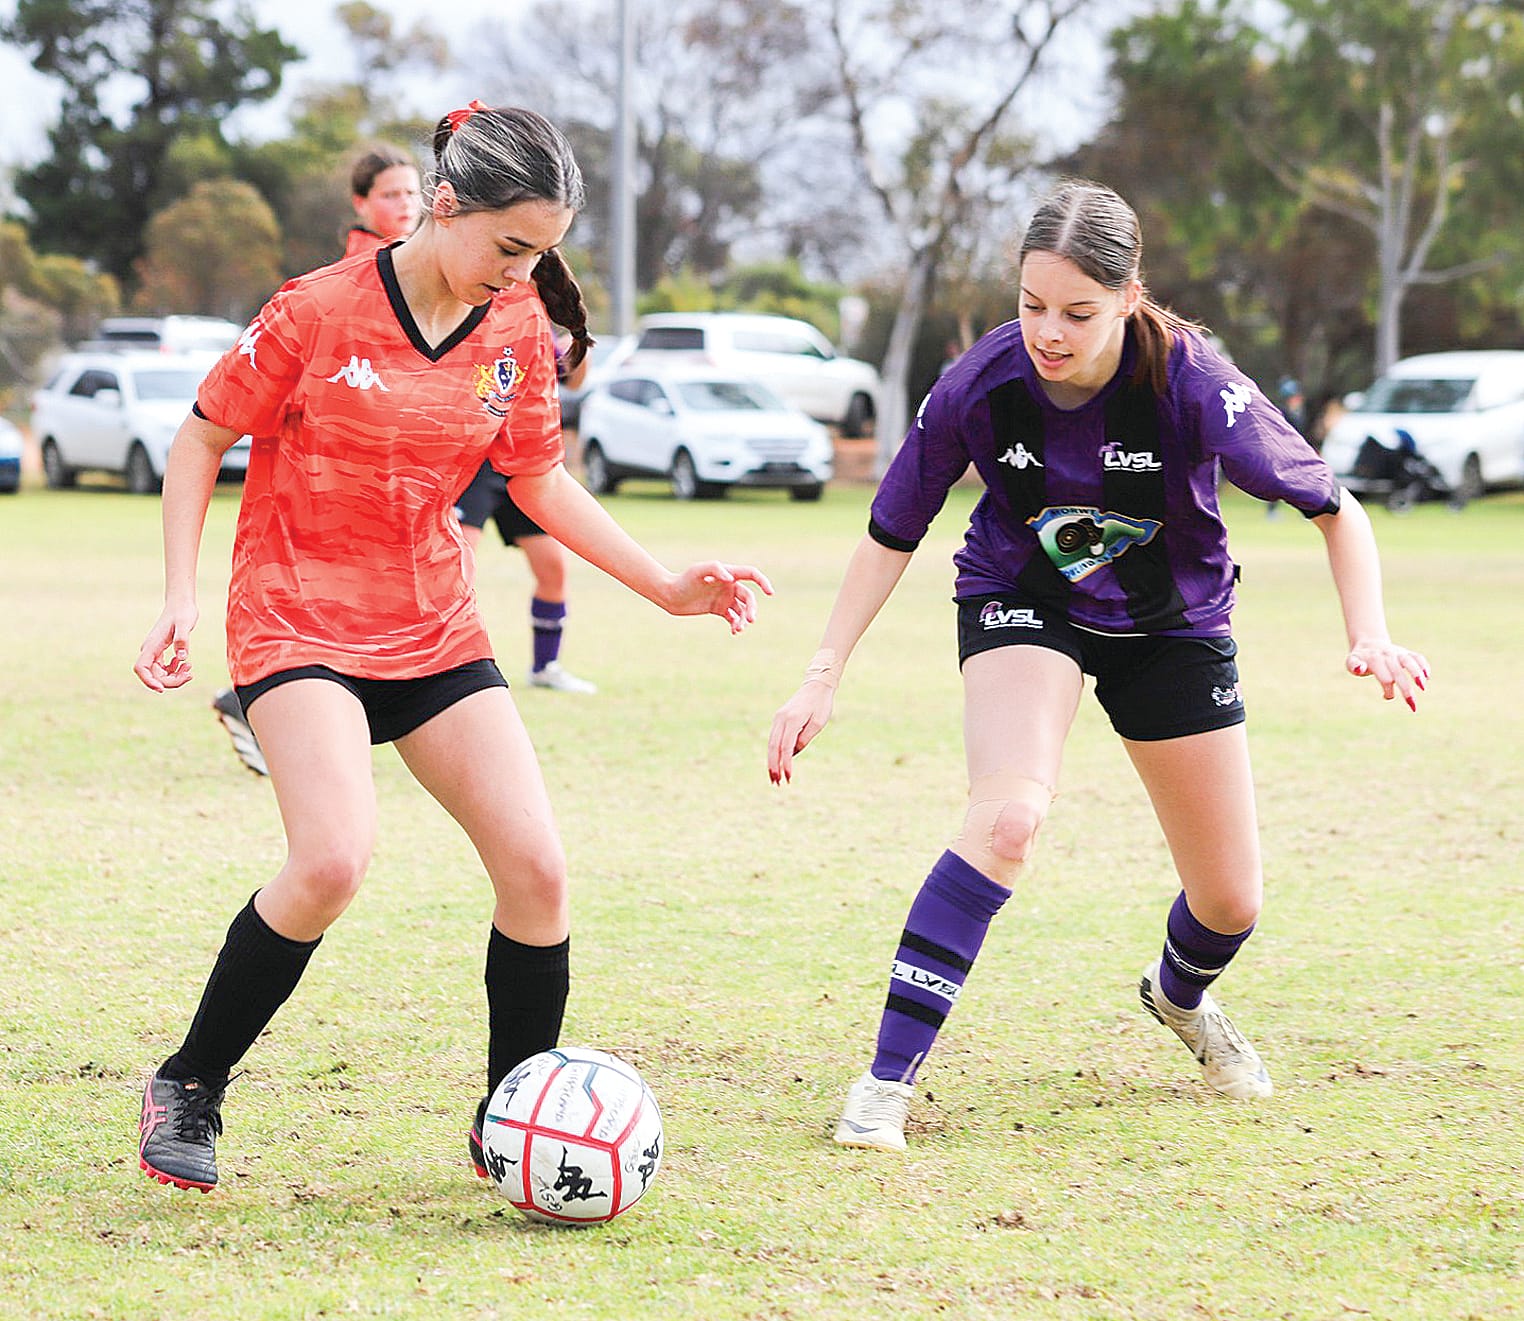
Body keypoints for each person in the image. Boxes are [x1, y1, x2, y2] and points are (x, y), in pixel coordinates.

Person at [133, 101, 771, 1193]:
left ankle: (513, 1111)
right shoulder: (317, 308)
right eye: (510, 246)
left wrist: (667, 587)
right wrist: (178, 595)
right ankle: (190, 1080)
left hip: (433, 623)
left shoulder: (518, 329)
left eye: (542, 253)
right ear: (444, 205)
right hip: (297, 615)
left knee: (538, 870)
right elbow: (202, 434)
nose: (522, 272)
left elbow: (536, 478)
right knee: (332, 859)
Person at [766, 179, 1429, 1154]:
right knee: (1009, 815)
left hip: (1172, 622)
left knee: (1231, 899)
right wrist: (822, 670)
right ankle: (884, 1085)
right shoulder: (980, 385)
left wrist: (1367, 630)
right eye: (1032, 306)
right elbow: (888, 531)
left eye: (1078, 312)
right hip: (1024, 599)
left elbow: (1337, 509)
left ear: (1129, 295)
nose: (1049, 332)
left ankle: (1178, 998)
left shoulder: (1195, 383)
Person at [210, 143, 424, 775]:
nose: (404, 205)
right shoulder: (362, 274)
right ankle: (258, 700)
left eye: (412, 192)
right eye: (390, 194)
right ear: (361, 204)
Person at [454, 332, 598, 693]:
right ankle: (440, 668)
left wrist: (579, 338)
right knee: (455, 569)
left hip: (524, 464)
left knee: (553, 568)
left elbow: (575, 381)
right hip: (476, 465)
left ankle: (545, 666)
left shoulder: (535, 326)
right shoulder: (475, 317)